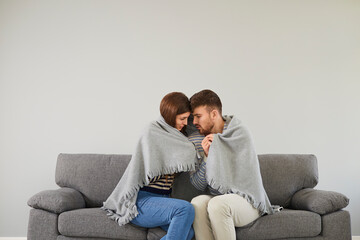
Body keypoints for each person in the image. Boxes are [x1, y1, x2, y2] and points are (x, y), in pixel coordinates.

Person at [102, 92, 197, 240]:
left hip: (163, 201)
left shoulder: (179, 136)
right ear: (171, 115)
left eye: (187, 118)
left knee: (189, 233)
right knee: (185, 210)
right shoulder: (152, 131)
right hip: (141, 202)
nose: (185, 123)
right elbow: (189, 151)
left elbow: (202, 131)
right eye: (182, 118)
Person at [188, 89, 279, 240]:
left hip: (248, 200)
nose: (194, 122)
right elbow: (198, 186)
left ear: (214, 114)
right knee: (197, 203)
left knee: (218, 205)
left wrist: (219, 150)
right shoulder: (199, 141)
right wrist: (207, 157)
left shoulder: (238, 133)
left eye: (198, 116)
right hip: (220, 198)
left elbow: (247, 177)